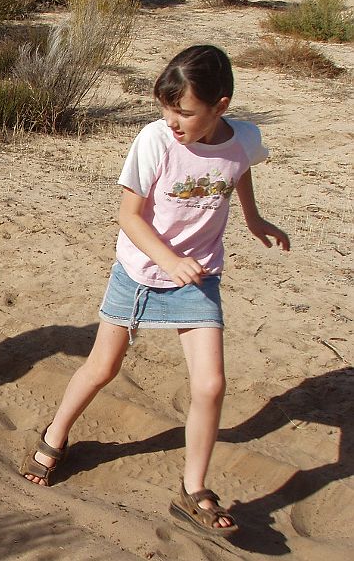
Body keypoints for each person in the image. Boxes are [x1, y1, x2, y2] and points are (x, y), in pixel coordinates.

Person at [19, 45, 290, 536]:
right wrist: (167, 260)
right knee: (102, 367)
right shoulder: (154, 140)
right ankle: (55, 434)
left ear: (220, 106)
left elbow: (240, 168)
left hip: (199, 275)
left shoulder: (244, 138)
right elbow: (128, 215)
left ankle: (193, 488)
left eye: (184, 111)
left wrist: (253, 219)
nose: (172, 120)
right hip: (140, 272)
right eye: (167, 108)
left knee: (211, 385)